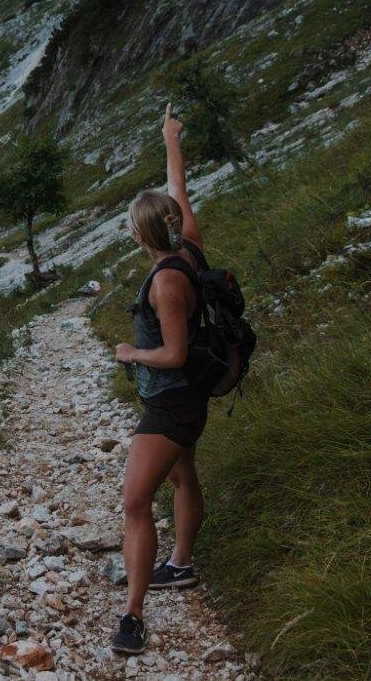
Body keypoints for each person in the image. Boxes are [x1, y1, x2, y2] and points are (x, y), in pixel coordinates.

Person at [110, 104, 209, 655]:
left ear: (140, 234)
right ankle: (182, 565)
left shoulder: (166, 283)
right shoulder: (189, 242)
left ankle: (132, 616)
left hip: (172, 401)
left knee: (134, 502)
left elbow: (174, 352)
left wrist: (132, 352)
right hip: (189, 399)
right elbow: (178, 187)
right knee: (181, 477)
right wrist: (171, 137)